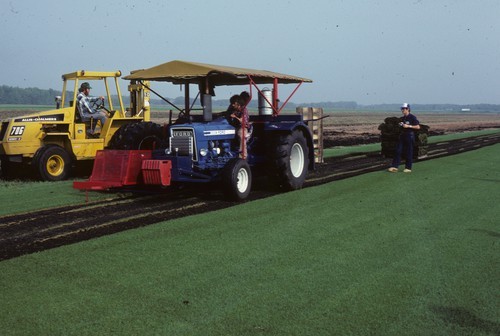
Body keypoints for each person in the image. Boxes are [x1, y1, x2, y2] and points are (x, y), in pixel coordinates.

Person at [388, 103, 420, 173]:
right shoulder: (402, 118)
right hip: (402, 135)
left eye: (403, 109)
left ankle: (408, 168)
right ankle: (394, 166)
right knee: (398, 150)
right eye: (401, 109)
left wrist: (409, 126)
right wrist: (401, 125)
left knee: (409, 151)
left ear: (408, 109)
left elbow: (418, 126)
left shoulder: (412, 117)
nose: (402, 110)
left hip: (409, 136)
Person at [226, 93, 252, 158]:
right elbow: (227, 113)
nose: (232, 105)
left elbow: (243, 121)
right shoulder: (231, 108)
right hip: (233, 126)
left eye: (233, 103)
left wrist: (235, 117)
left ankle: (243, 155)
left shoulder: (244, 110)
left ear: (237, 104)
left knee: (241, 134)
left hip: (242, 127)